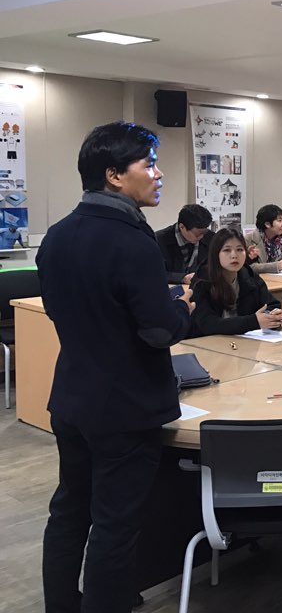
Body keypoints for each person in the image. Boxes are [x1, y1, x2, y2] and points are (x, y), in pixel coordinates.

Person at [37, 121, 195, 613]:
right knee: (115, 525)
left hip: (72, 398)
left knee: (69, 511)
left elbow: (73, 310)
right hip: (125, 409)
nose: (159, 174)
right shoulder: (133, 241)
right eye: (150, 164)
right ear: (114, 175)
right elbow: (159, 332)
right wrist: (182, 307)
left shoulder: (57, 236)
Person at [190, 228, 282, 336]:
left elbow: (271, 304)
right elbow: (207, 324)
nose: (234, 255)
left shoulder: (249, 275)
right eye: (227, 250)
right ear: (216, 254)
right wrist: (253, 322)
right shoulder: (202, 281)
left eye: (240, 250)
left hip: (244, 340)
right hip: (207, 341)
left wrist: (272, 315)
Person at [155, 203, 213, 284]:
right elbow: (155, 273)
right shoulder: (159, 240)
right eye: (197, 234)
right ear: (182, 227)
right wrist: (182, 278)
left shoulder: (210, 238)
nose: (201, 237)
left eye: (204, 232)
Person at [245, 204, 282, 274]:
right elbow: (249, 267)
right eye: (279, 221)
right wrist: (276, 266)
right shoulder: (250, 239)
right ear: (267, 224)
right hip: (260, 279)